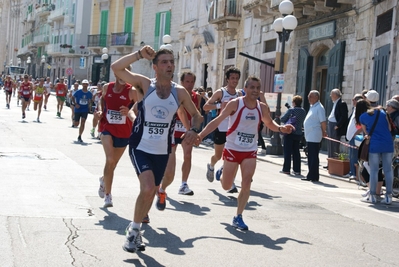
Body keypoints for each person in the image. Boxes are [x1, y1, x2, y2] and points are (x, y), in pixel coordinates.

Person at [111, 46, 202, 253]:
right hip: (140, 146)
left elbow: (197, 116)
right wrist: (138, 54)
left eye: (171, 61)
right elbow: (116, 68)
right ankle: (133, 232)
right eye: (164, 62)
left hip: (162, 150)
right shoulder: (144, 85)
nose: (169, 65)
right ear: (155, 67)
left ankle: (138, 229)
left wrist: (194, 130)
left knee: (151, 191)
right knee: (148, 187)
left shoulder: (179, 92)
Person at [196, 76, 295, 230]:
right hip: (232, 148)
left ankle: (238, 216)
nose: (255, 91)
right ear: (246, 89)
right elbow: (217, 121)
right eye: (252, 87)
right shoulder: (235, 103)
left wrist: (282, 128)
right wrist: (200, 135)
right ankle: (223, 172)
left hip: (250, 150)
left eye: (258, 88)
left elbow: (269, 123)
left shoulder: (261, 107)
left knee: (246, 182)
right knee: (226, 185)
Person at [157, 72, 201, 211]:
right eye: (187, 81)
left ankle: (183, 184)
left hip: (186, 130)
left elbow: (196, 114)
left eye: (191, 82)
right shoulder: (175, 93)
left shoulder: (196, 96)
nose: (189, 84)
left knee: (188, 155)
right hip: (173, 129)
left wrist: (194, 130)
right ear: (181, 82)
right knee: (171, 159)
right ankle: (164, 182)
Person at [96, 73, 137, 208]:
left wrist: (130, 110)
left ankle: (103, 179)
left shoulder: (132, 91)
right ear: (116, 74)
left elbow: (140, 106)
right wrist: (101, 111)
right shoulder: (107, 87)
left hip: (124, 131)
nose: (123, 77)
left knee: (113, 165)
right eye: (121, 73)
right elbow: (102, 100)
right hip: (107, 127)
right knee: (110, 159)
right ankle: (108, 195)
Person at [203, 67, 242, 193]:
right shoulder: (221, 93)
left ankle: (230, 182)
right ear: (227, 79)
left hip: (234, 129)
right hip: (221, 128)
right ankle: (212, 165)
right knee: (218, 155)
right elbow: (205, 106)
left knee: (234, 156)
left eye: (236, 78)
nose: (234, 81)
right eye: (232, 78)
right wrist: (220, 105)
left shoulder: (239, 94)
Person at [357, 99, 394, 204]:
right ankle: (389, 196)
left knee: (374, 170)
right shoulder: (382, 112)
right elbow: (389, 128)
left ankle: (372, 195)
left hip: (375, 144)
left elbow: (366, 133)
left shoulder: (362, 117)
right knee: (388, 170)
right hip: (387, 143)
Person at [303, 90, 327, 182]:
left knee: (313, 156)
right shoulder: (313, 107)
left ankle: (313, 175)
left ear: (316, 97)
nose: (309, 98)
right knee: (310, 156)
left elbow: (323, 121)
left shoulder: (319, 108)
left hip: (314, 135)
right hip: (310, 135)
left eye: (311, 96)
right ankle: (312, 174)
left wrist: (324, 131)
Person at [280, 95, 307, 175]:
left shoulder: (291, 110)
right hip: (298, 133)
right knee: (296, 151)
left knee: (287, 151)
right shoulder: (303, 111)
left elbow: (283, 119)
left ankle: (286, 169)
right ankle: (297, 169)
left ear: (294, 102)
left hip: (290, 132)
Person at [325, 88, 348, 167]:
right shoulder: (335, 103)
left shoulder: (342, 103)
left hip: (335, 125)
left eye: (332, 94)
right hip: (331, 124)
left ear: (335, 95)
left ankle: (334, 163)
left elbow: (344, 116)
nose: (330, 96)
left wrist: (338, 125)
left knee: (335, 145)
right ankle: (330, 162)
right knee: (330, 144)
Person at [343, 94, 364, 179]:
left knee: (354, 155)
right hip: (351, 135)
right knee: (351, 154)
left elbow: (360, 125)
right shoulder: (354, 109)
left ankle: (354, 173)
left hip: (356, 136)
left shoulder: (360, 111)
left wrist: (356, 133)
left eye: (354, 100)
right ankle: (351, 171)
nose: (352, 101)